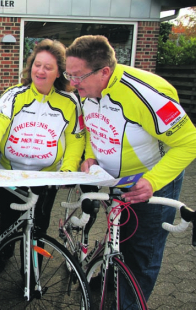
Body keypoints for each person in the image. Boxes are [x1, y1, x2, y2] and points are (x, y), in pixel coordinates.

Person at [65, 35, 196, 303]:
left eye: (78, 76)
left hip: (150, 183)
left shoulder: (145, 93)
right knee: (120, 244)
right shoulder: (87, 91)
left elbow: (189, 142)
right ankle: (113, 289)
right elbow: (93, 128)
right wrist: (90, 156)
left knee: (141, 259)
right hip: (115, 182)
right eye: (69, 74)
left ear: (104, 71)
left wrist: (153, 181)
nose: (72, 82)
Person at [0, 39, 85, 268]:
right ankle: (3, 255)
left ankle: (32, 270)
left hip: (46, 178)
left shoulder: (71, 101)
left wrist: (69, 168)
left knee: (39, 226)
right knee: (9, 221)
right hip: (10, 176)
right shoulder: (14, 95)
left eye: (48, 67)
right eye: (37, 64)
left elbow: (76, 138)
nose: (40, 71)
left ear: (59, 73)